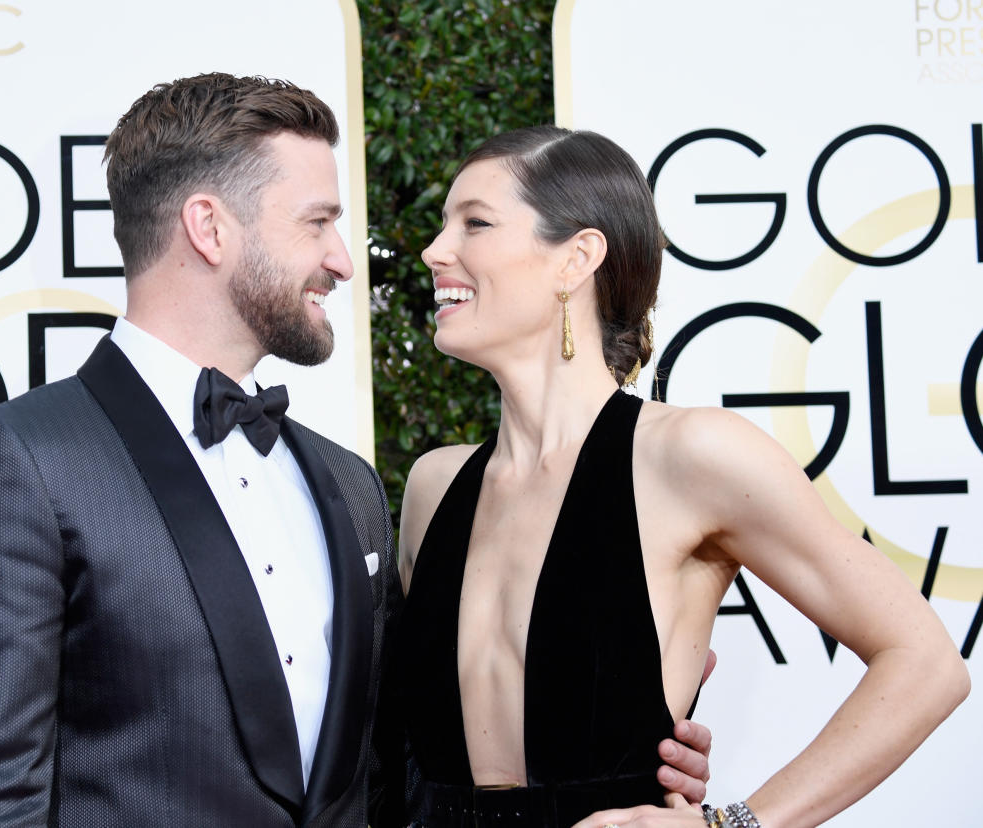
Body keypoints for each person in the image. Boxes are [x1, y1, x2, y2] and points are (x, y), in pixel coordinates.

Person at [0, 75, 711, 828]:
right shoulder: (19, 462)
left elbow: (397, 768)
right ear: (209, 227)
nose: (342, 259)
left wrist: (628, 745)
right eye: (317, 222)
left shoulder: (348, 485)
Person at [393, 125, 970, 828]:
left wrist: (733, 824)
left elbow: (926, 664)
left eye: (475, 223)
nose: (433, 250)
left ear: (577, 257)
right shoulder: (435, 487)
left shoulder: (689, 457)